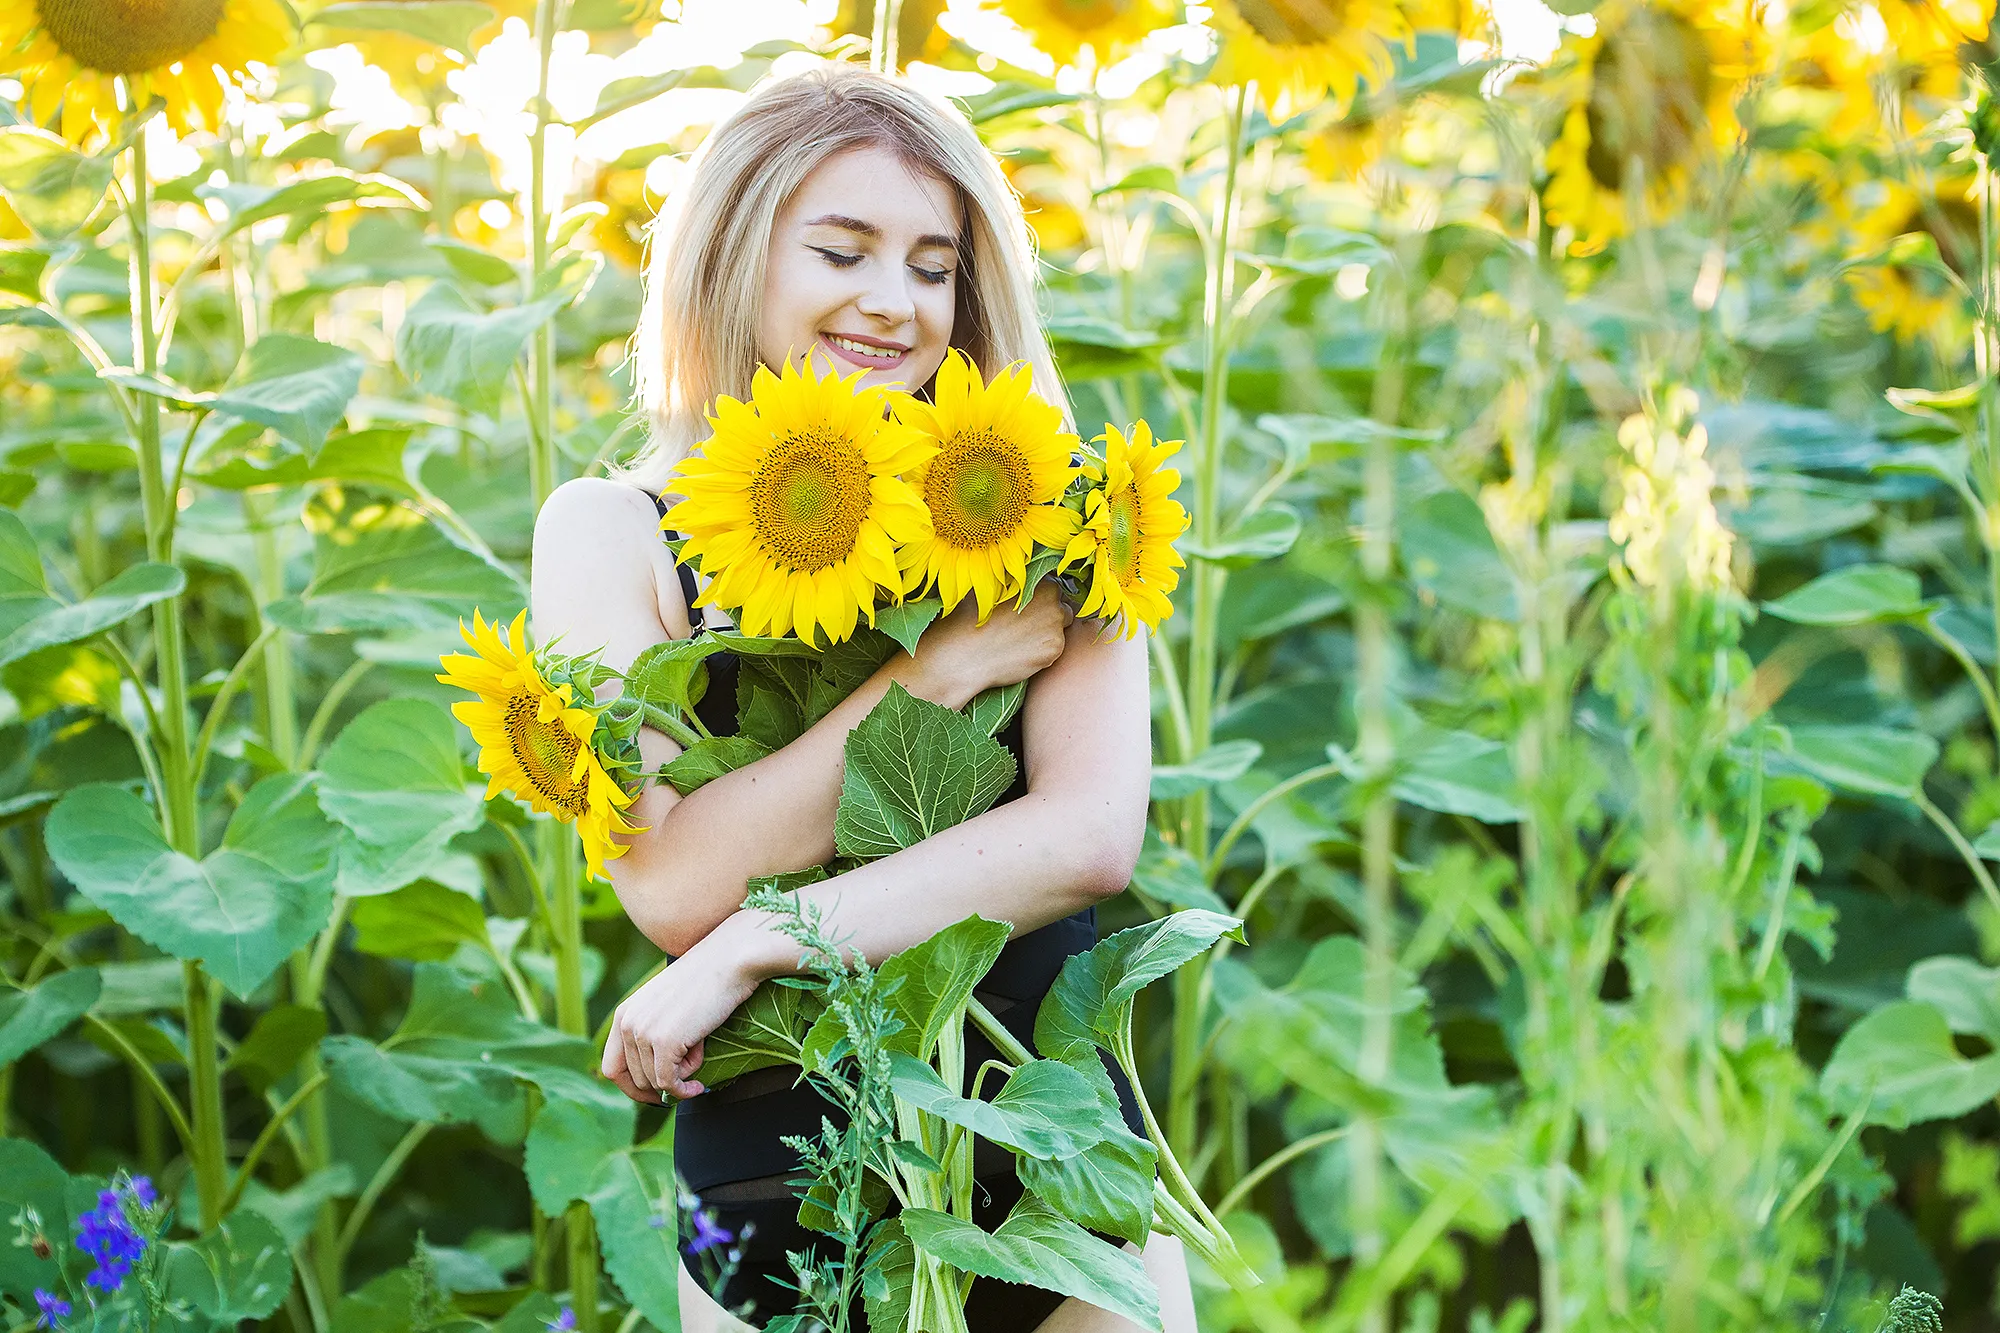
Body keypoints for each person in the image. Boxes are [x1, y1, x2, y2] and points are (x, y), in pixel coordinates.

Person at [530, 63, 1196, 1333]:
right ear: (731, 256)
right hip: (780, 1174)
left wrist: (758, 938)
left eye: (934, 268)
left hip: (1046, 1153)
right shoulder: (611, 534)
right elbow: (672, 881)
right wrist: (930, 675)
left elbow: (1086, 835)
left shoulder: (1050, 505)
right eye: (841, 252)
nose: (894, 302)